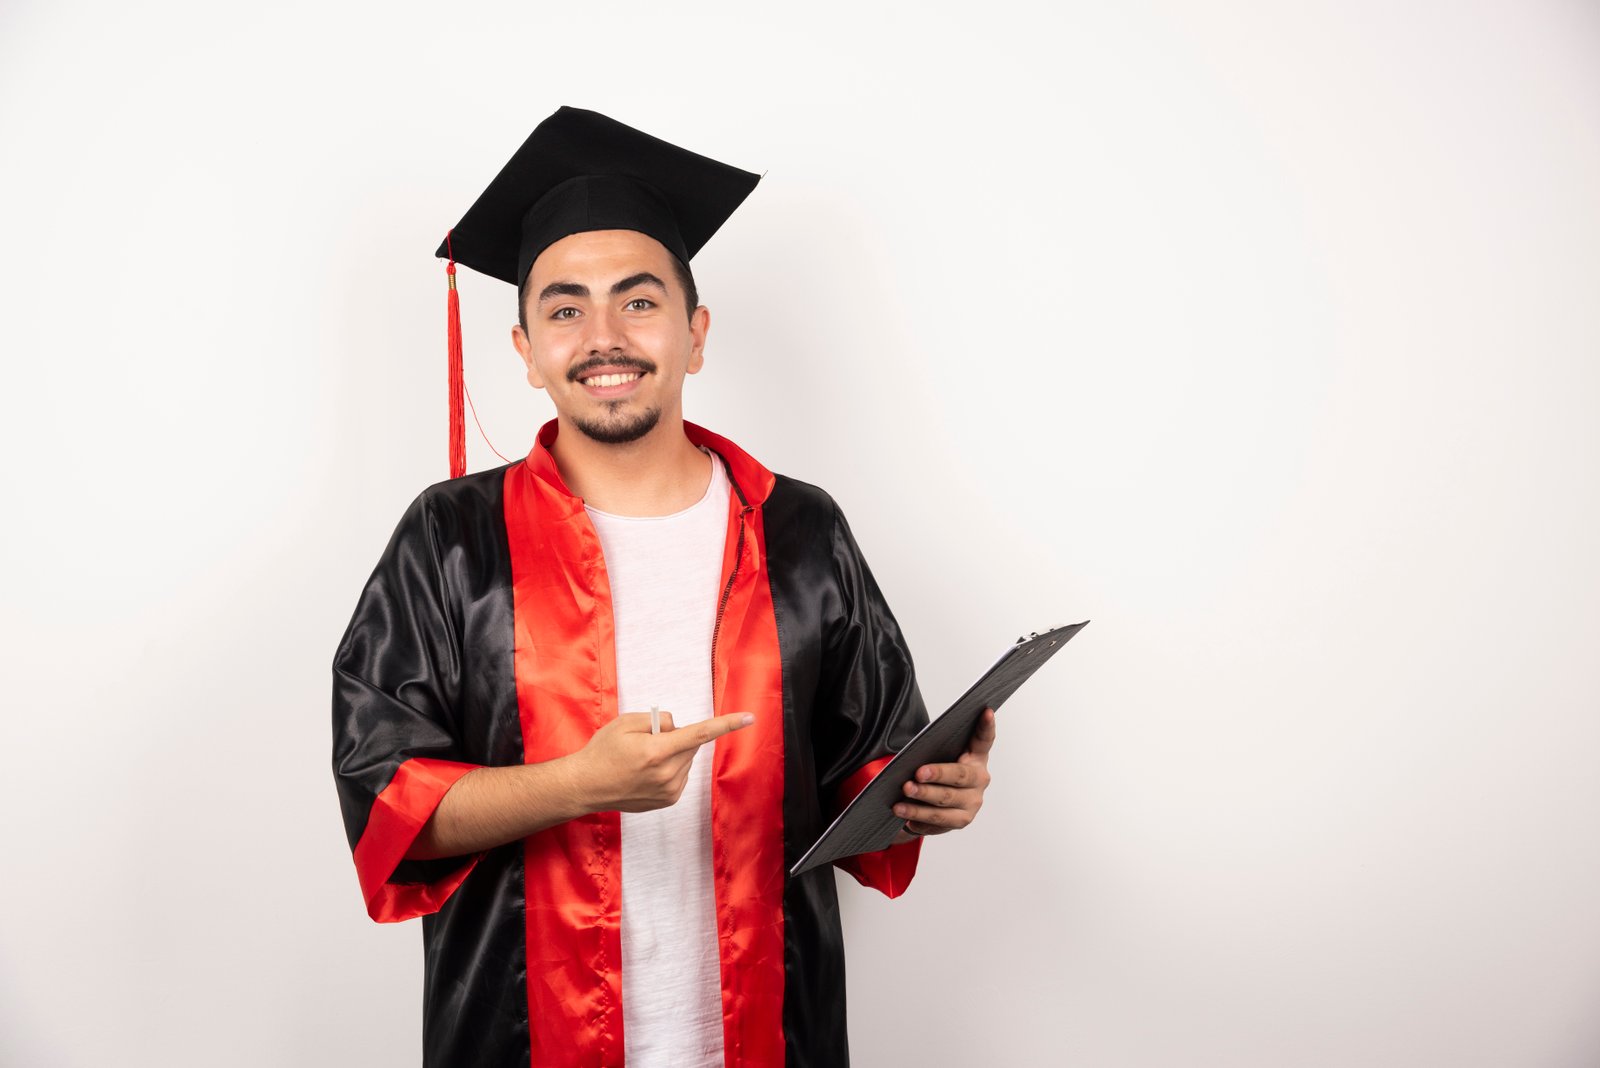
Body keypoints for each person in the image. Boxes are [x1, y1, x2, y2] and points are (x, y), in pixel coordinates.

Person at [331, 105, 997, 1068]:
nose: (604, 336)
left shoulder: (801, 530)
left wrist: (935, 789)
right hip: (520, 1039)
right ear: (526, 351)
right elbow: (387, 799)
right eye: (564, 308)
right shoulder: (450, 541)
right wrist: (576, 787)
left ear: (696, 333)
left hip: (773, 1035)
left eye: (639, 302)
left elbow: (868, 771)